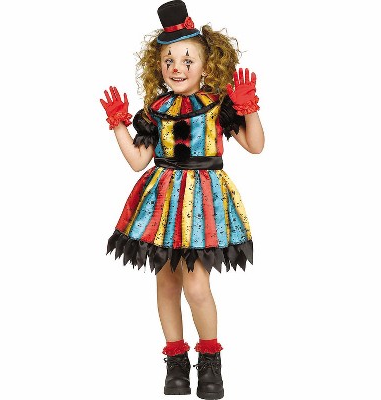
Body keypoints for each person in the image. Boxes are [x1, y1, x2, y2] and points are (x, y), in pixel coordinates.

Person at [100, 1, 264, 398]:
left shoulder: (216, 106)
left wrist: (248, 109)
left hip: (204, 203)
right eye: (168, 59)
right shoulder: (155, 111)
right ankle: (176, 362)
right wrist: (120, 124)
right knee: (167, 281)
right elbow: (138, 161)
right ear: (157, 65)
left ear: (206, 66)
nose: (177, 67)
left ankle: (210, 360)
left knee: (196, 285)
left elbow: (255, 145)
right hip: (163, 203)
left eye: (187, 59)